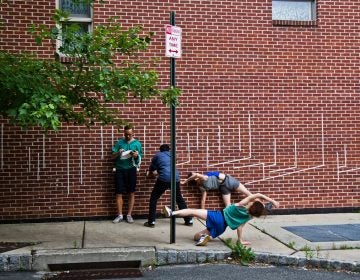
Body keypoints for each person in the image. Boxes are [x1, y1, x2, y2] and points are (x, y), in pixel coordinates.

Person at [163, 193, 279, 246]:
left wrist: (272, 201)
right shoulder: (248, 216)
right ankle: (205, 237)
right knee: (196, 237)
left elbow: (257, 195)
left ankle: (172, 212)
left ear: (253, 204)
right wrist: (240, 240)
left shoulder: (242, 204)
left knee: (192, 211)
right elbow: (239, 228)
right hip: (222, 227)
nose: (254, 201)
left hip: (218, 216)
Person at [144, 144, 192, 227]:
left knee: (154, 198)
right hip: (175, 178)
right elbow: (168, 167)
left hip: (164, 179)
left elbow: (152, 169)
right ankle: (189, 220)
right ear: (168, 150)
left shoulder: (157, 155)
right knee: (179, 199)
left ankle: (151, 222)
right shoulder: (173, 155)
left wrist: (150, 173)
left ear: (160, 150)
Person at [112, 124, 143, 224]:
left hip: (131, 170)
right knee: (118, 192)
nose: (127, 136)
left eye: (129, 134)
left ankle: (129, 215)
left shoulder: (137, 144)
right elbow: (112, 157)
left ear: (133, 133)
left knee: (131, 192)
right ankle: (120, 215)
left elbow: (140, 159)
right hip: (120, 169)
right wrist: (118, 153)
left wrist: (135, 155)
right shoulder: (119, 142)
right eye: (126, 134)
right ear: (124, 133)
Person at [181, 171, 252, 209]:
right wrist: (186, 181)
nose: (198, 174)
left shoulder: (202, 187)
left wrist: (202, 212)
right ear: (195, 179)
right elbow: (196, 175)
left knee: (228, 206)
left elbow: (203, 201)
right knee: (247, 193)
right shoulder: (204, 178)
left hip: (225, 185)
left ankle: (247, 206)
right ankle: (243, 207)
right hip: (227, 182)